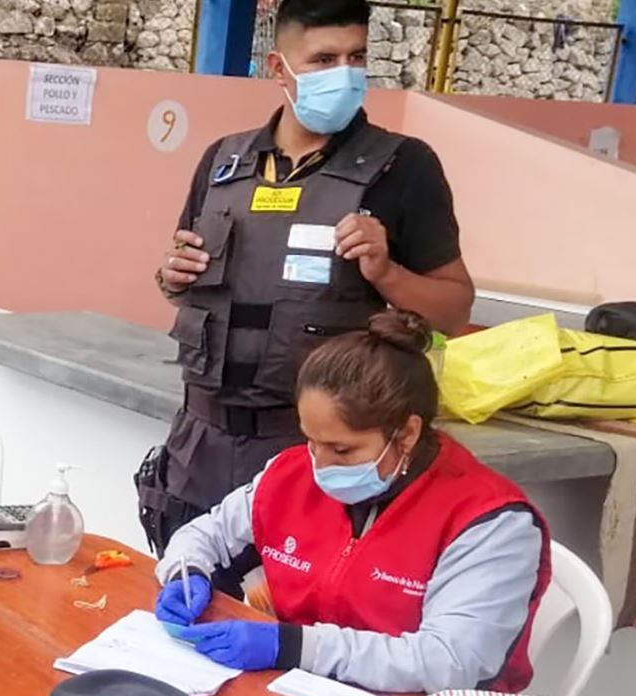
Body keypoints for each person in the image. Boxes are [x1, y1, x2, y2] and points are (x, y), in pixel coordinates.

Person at [144, 0, 474, 563]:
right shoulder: (224, 161)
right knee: (185, 612)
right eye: (323, 59)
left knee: (291, 631)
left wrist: (387, 272)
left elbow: (454, 308)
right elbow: (190, 280)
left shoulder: (405, 168)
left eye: (356, 57)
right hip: (200, 444)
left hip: (316, 456)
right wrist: (170, 277)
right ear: (279, 68)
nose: (343, 74)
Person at [154, 311, 549, 695]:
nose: (319, 464)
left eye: (342, 449)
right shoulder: (290, 474)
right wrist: (185, 573)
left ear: (407, 433)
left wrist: (294, 646)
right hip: (306, 695)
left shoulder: (490, 522)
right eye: (311, 440)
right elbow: (206, 535)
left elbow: (451, 661)